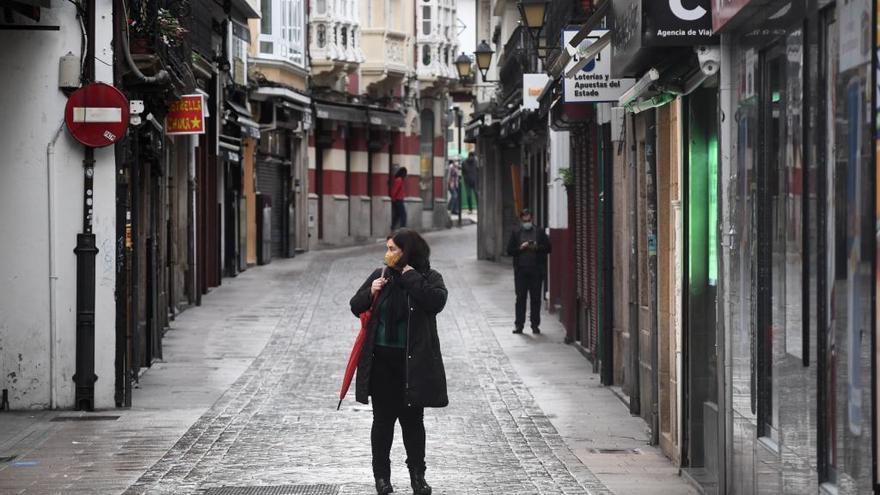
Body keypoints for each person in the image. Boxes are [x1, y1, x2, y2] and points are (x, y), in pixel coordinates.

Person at [350, 228, 448, 495]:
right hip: (382, 363)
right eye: (388, 248)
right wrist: (370, 291)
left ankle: (418, 476)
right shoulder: (380, 275)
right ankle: (382, 478)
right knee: (382, 423)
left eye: (393, 249)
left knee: (413, 423)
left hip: (412, 365)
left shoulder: (429, 277)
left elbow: (436, 301)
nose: (388, 253)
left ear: (408, 251)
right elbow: (355, 305)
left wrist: (411, 276)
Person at [506, 208, 551, 334]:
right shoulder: (516, 233)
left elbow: (548, 248)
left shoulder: (540, 232)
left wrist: (536, 247)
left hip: (536, 271)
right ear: (521, 220)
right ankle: (519, 325)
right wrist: (521, 248)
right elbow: (509, 250)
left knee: (535, 299)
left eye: (529, 219)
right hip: (521, 271)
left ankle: (535, 325)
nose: (527, 221)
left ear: (532, 219)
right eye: (525, 219)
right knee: (520, 298)